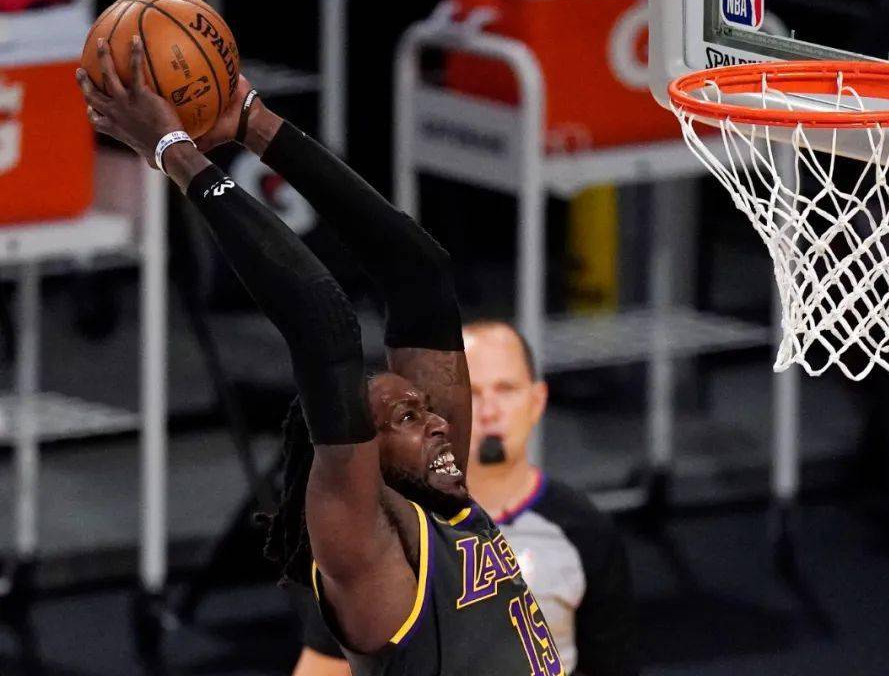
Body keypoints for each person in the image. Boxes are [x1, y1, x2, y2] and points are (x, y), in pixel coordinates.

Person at [77, 35, 563, 675]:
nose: (440, 421)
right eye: (407, 417)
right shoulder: (368, 552)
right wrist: (177, 154)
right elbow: (323, 324)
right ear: (362, 462)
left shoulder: (444, 510)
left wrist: (256, 124)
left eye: (422, 408)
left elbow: (418, 273)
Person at [294, 321, 640, 676]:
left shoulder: (584, 529)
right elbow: (320, 668)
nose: (490, 411)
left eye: (505, 390)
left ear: (537, 401)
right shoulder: (385, 534)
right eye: (473, 393)